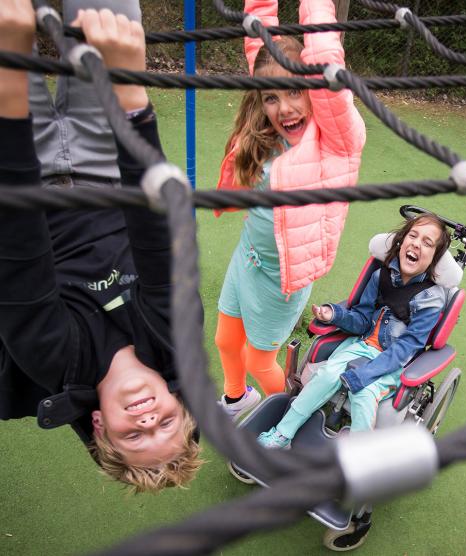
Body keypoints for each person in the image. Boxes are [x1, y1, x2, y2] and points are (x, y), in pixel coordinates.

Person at [0, 2, 203, 493]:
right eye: (166, 423)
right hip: (109, 166)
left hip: (21, 168)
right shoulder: (175, 342)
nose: (148, 417)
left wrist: (9, 64)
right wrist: (130, 92)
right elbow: (158, 239)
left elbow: (17, 239)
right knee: (110, 15)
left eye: (134, 433)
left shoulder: (56, 360)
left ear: (99, 426)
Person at [214, 0, 366, 421]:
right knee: (227, 340)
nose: (284, 107)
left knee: (259, 360)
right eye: (272, 97)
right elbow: (257, 38)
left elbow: (325, 56)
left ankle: (297, 418)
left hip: (283, 277)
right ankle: (235, 398)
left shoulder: (336, 139)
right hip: (249, 256)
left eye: (296, 91)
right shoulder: (266, 128)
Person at [257, 213, 451, 448]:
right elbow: (361, 319)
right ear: (401, 241)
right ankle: (283, 432)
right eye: (413, 235)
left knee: (363, 394)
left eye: (427, 243)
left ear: (434, 258)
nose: (416, 244)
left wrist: (365, 374)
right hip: (361, 344)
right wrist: (334, 315)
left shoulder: (431, 300)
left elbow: (408, 347)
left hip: (395, 361)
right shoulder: (381, 276)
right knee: (327, 374)